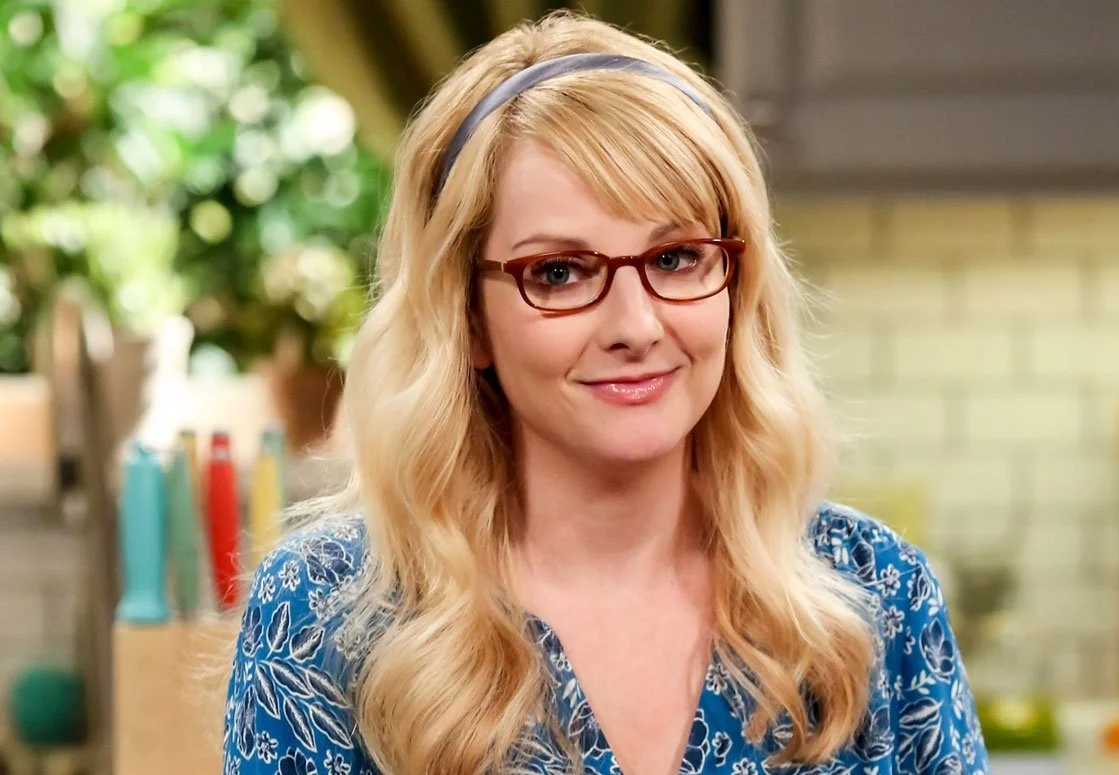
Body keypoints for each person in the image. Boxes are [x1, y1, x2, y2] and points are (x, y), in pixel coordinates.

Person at [222, 11, 987, 775]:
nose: (636, 325)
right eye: (558, 272)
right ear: (468, 321)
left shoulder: (877, 595)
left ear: (736, 282)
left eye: (678, 257)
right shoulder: (323, 615)